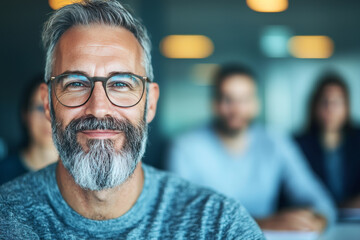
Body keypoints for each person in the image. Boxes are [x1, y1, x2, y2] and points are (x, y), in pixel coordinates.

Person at [0, 1, 264, 239]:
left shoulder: (218, 225)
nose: (99, 108)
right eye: (76, 83)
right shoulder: (6, 219)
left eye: (121, 84)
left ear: (150, 103)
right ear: (48, 103)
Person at [167, 64, 336, 231]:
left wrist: (317, 220)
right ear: (214, 104)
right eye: (228, 99)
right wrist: (261, 223)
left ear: (257, 104)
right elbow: (178, 215)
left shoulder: (275, 141)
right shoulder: (185, 147)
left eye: (245, 99)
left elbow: (319, 199)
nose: (236, 109)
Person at [295, 72, 360, 208]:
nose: (330, 109)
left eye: (337, 102)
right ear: (314, 106)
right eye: (324, 102)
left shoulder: (357, 141)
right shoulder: (297, 145)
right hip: (316, 219)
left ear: (347, 107)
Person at [0, 75, 58, 185]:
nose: (48, 118)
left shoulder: (81, 177)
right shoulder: (3, 173)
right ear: (25, 114)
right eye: (40, 108)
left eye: (55, 110)